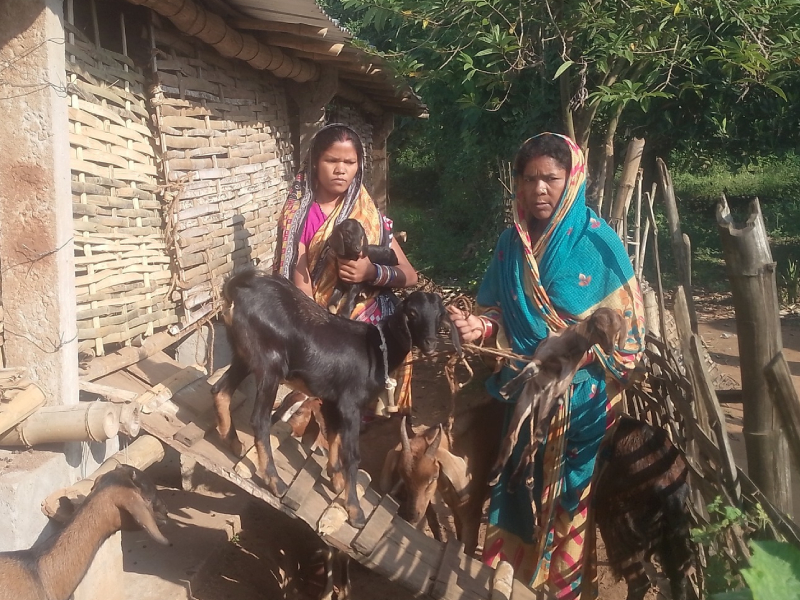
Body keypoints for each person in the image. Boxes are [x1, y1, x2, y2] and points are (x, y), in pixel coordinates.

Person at [448, 133, 645, 599]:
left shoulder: (600, 246)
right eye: (529, 178)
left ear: (572, 180)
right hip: (523, 394)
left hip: (582, 400)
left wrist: (573, 355)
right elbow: (496, 311)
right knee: (515, 486)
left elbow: (630, 340)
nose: (538, 189)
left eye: (550, 179)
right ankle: (510, 583)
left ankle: (562, 588)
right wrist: (479, 326)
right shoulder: (510, 245)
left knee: (567, 502)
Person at [275, 123, 418, 412]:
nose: (340, 169)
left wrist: (371, 273)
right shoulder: (299, 216)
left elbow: (410, 275)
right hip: (323, 318)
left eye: (349, 162)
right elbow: (302, 285)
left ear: (359, 166)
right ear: (315, 162)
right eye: (332, 161)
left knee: (398, 346)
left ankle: (384, 425)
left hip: (374, 313)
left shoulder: (368, 214)